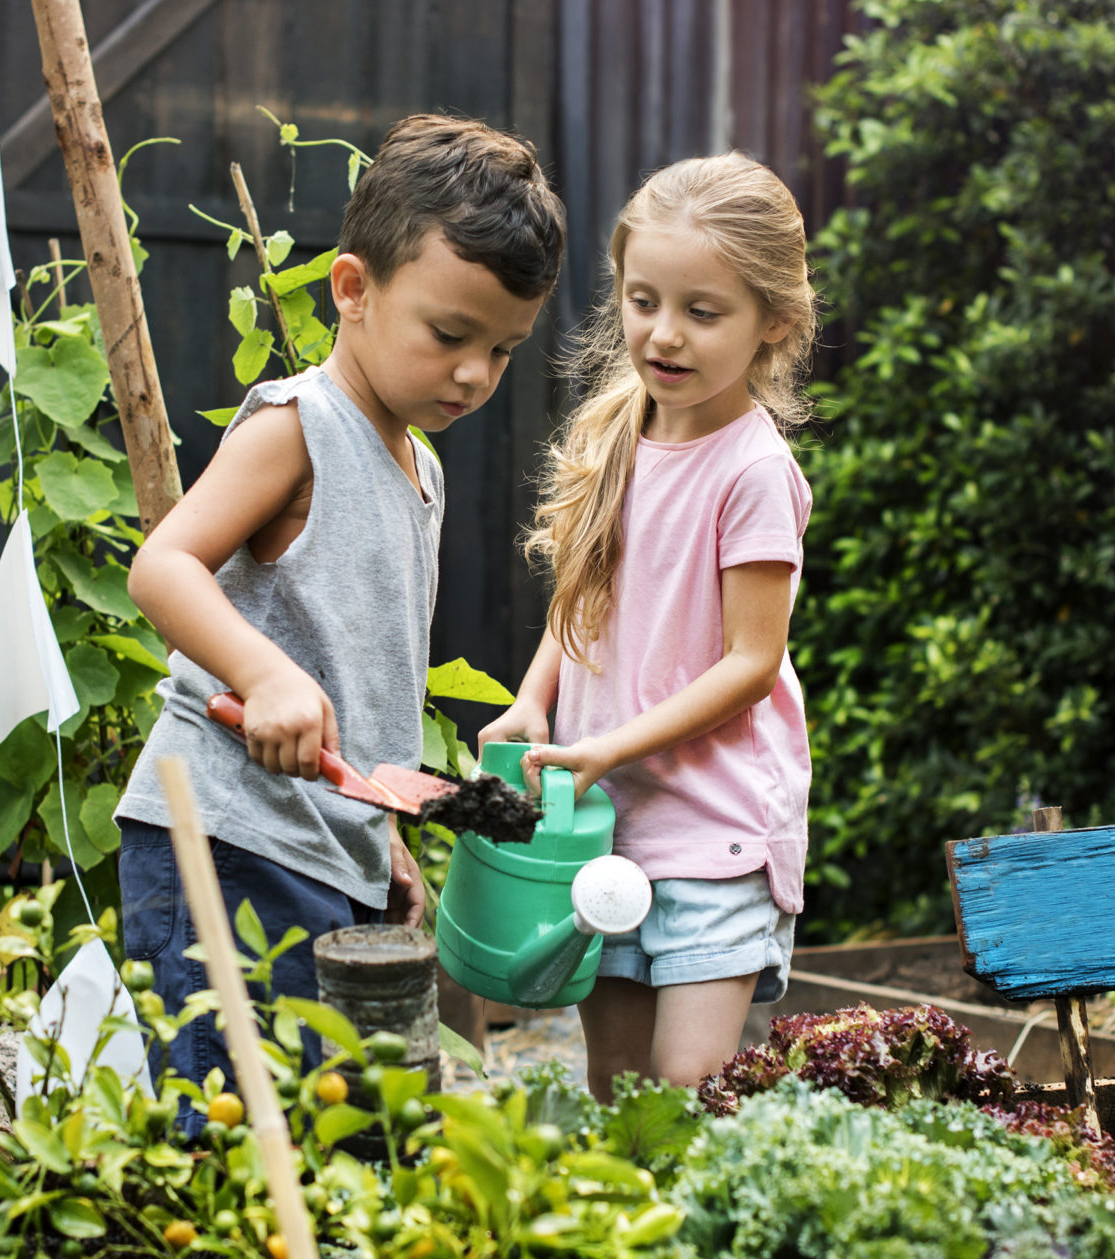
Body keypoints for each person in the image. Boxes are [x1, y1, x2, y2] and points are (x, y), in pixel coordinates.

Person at [114, 114, 566, 1115]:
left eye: (502, 350)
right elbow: (163, 566)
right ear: (352, 288)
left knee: (327, 1126)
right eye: (449, 335)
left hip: (325, 846)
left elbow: (361, 669)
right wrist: (263, 672)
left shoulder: (422, 471)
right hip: (225, 839)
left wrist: (379, 835)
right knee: (231, 1124)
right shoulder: (299, 427)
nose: (474, 373)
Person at [478, 154, 818, 1095]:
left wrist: (610, 745)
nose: (664, 334)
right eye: (642, 301)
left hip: (715, 833)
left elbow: (753, 663)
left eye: (702, 312)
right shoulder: (616, 431)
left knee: (687, 1082)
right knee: (617, 1079)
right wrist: (533, 700)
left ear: (773, 321)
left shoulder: (753, 471)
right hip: (606, 822)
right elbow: (584, 596)